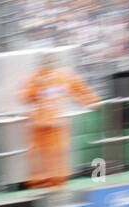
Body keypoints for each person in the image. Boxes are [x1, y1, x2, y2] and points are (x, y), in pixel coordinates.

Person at [21, 53, 99, 190]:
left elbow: (26, 96)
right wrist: (91, 101)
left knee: (49, 153)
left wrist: (91, 101)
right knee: (52, 153)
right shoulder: (60, 76)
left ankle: (47, 181)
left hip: (44, 122)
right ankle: (50, 181)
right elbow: (80, 89)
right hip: (48, 122)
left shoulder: (41, 77)